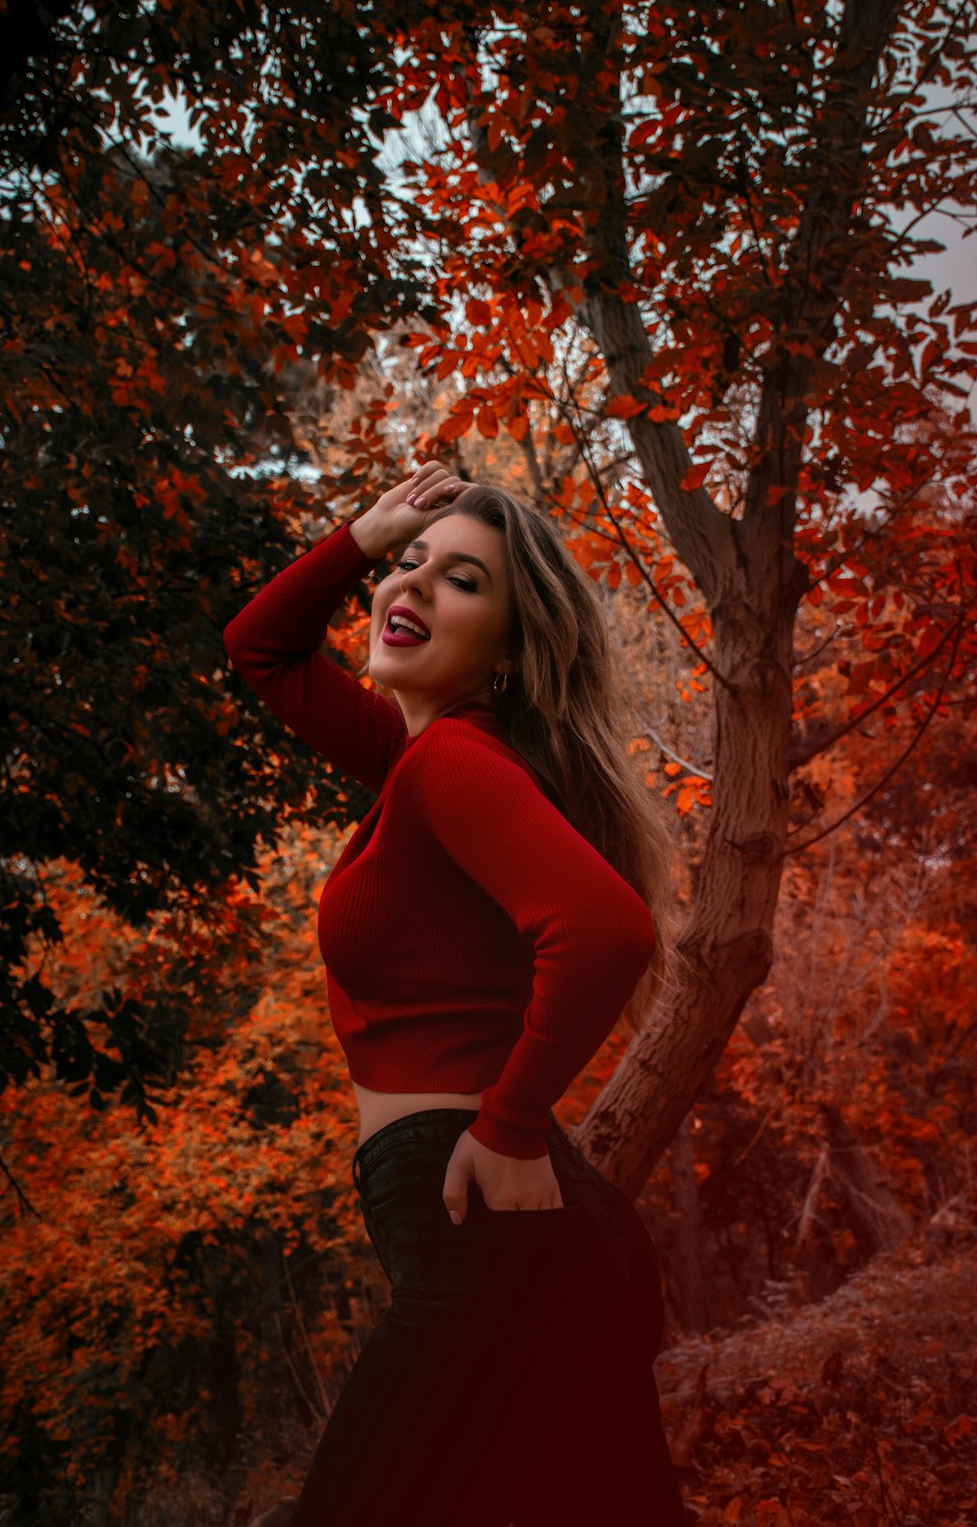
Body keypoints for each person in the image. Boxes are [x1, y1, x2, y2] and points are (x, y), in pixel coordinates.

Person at [223, 461, 688, 1527]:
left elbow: (607, 928)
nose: (415, 586)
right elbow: (259, 648)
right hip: (516, 1235)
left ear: (515, 651)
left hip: (480, 1229)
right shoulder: (415, 759)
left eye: (462, 581)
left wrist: (513, 1125)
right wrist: (362, 537)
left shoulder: (451, 768)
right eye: (411, 567)